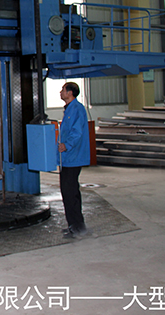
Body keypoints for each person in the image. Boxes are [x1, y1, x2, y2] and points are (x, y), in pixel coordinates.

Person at [57, 82, 90, 238]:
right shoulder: (70, 109)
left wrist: (66, 145)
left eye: (63, 90)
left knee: (70, 193)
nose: (60, 92)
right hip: (67, 159)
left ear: (70, 93)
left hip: (73, 157)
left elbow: (77, 132)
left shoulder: (76, 109)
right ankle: (74, 225)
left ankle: (78, 228)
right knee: (68, 192)